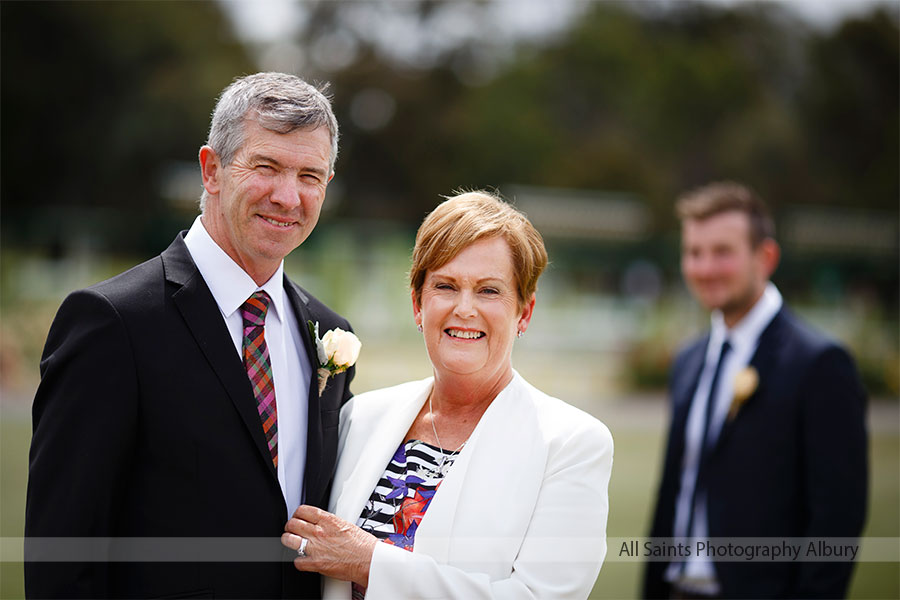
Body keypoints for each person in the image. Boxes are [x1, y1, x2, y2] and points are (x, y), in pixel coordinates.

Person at [25, 72, 355, 599]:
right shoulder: (111, 323)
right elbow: (63, 555)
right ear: (212, 170)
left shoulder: (331, 334)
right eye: (266, 167)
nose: (288, 196)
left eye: (309, 175)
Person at [277, 190, 614, 599]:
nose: (464, 309)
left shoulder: (570, 444)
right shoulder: (360, 417)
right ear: (418, 304)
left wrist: (371, 563)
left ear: (524, 311)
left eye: (489, 291)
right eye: (446, 286)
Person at [643, 182, 868, 599]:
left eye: (722, 252)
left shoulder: (819, 364)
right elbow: (673, 493)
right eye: (694, 252)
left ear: (765, 257)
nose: (705, 267)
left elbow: (838, 518)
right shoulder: (689, 360)